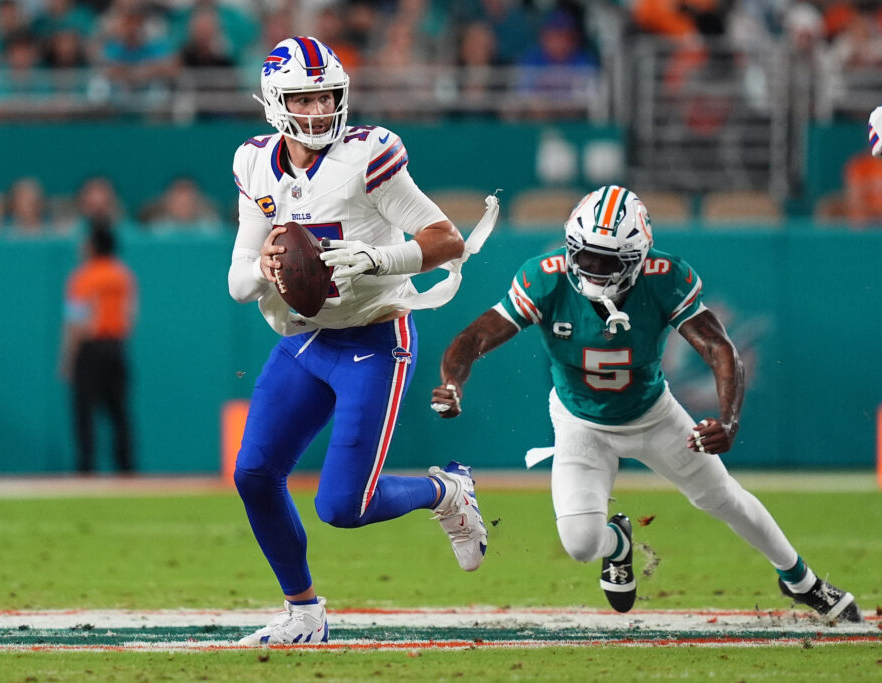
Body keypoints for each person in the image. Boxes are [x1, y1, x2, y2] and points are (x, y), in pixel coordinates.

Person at [430, 185, 863, 623]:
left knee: (724, 498)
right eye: (584, 255)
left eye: (607, 261)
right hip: (581, 423)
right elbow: (474, 338)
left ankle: (801, 581)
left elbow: (719, 347)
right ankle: (617, 543)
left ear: (637, 258)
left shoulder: (663, 277)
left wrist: (729, 419)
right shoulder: (546, 276)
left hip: (654, 416)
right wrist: (452, 383)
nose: (593, 270)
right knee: (580, 543)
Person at [228, 36, 490, 646]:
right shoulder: (254, 162)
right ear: (275, 102)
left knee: (342, 507)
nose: (318, 111)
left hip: (375, 337)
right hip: (307, 339)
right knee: (254, 473)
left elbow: (448, 239)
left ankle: (446, 491)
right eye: (304, 99)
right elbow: (240, 276)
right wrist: (267, 269)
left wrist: (377, 256)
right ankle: (303, 613)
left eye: (327, 97)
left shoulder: (368, 154)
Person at [60, 221, 137, 474]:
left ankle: (86, 468)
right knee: (119, 412)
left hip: (91, 348)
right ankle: (126, 468)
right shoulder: (122, 275)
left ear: (92, 246)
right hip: (116, 346)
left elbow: (77, 322)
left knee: (85, 412)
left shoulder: (84, 277)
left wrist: (68, 359)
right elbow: (131, 314)